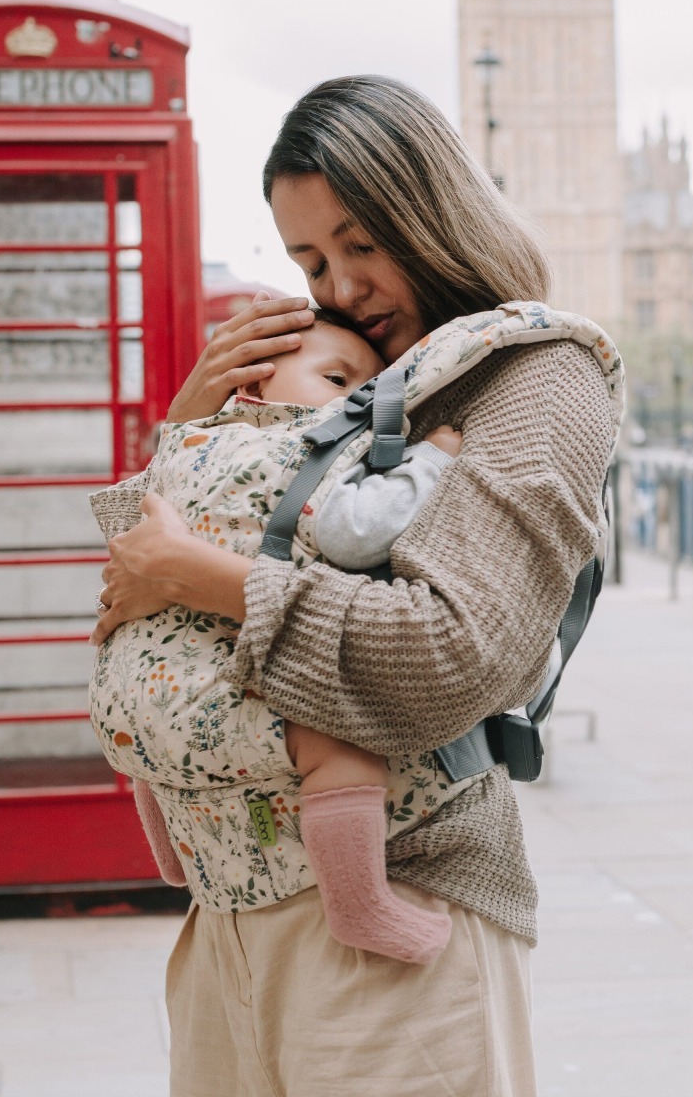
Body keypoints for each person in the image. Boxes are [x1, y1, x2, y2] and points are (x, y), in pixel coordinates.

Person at [92, 75, 620, 1097]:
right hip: (224, 915)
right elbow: (137, 622)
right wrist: (190, 431)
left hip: (402, 919)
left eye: (359, 243)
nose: (341, 286)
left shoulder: (529, 376)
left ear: (429, 210)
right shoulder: (321, 380)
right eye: (309, 261)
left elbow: (446, 656)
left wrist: (200, 574)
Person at [91, 308, 463, 965]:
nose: (359, 401)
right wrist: (432, 457)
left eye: (371, 387)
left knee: (148, 736)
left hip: (127, 695)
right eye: (337, 377)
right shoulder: (303, 455)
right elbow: (361, 530)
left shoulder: (187, 447)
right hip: (213, 687)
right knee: (343, 742)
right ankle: (360, 906)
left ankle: (179, 860)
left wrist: (178, 427)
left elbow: (128, 525)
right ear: (254, 390)